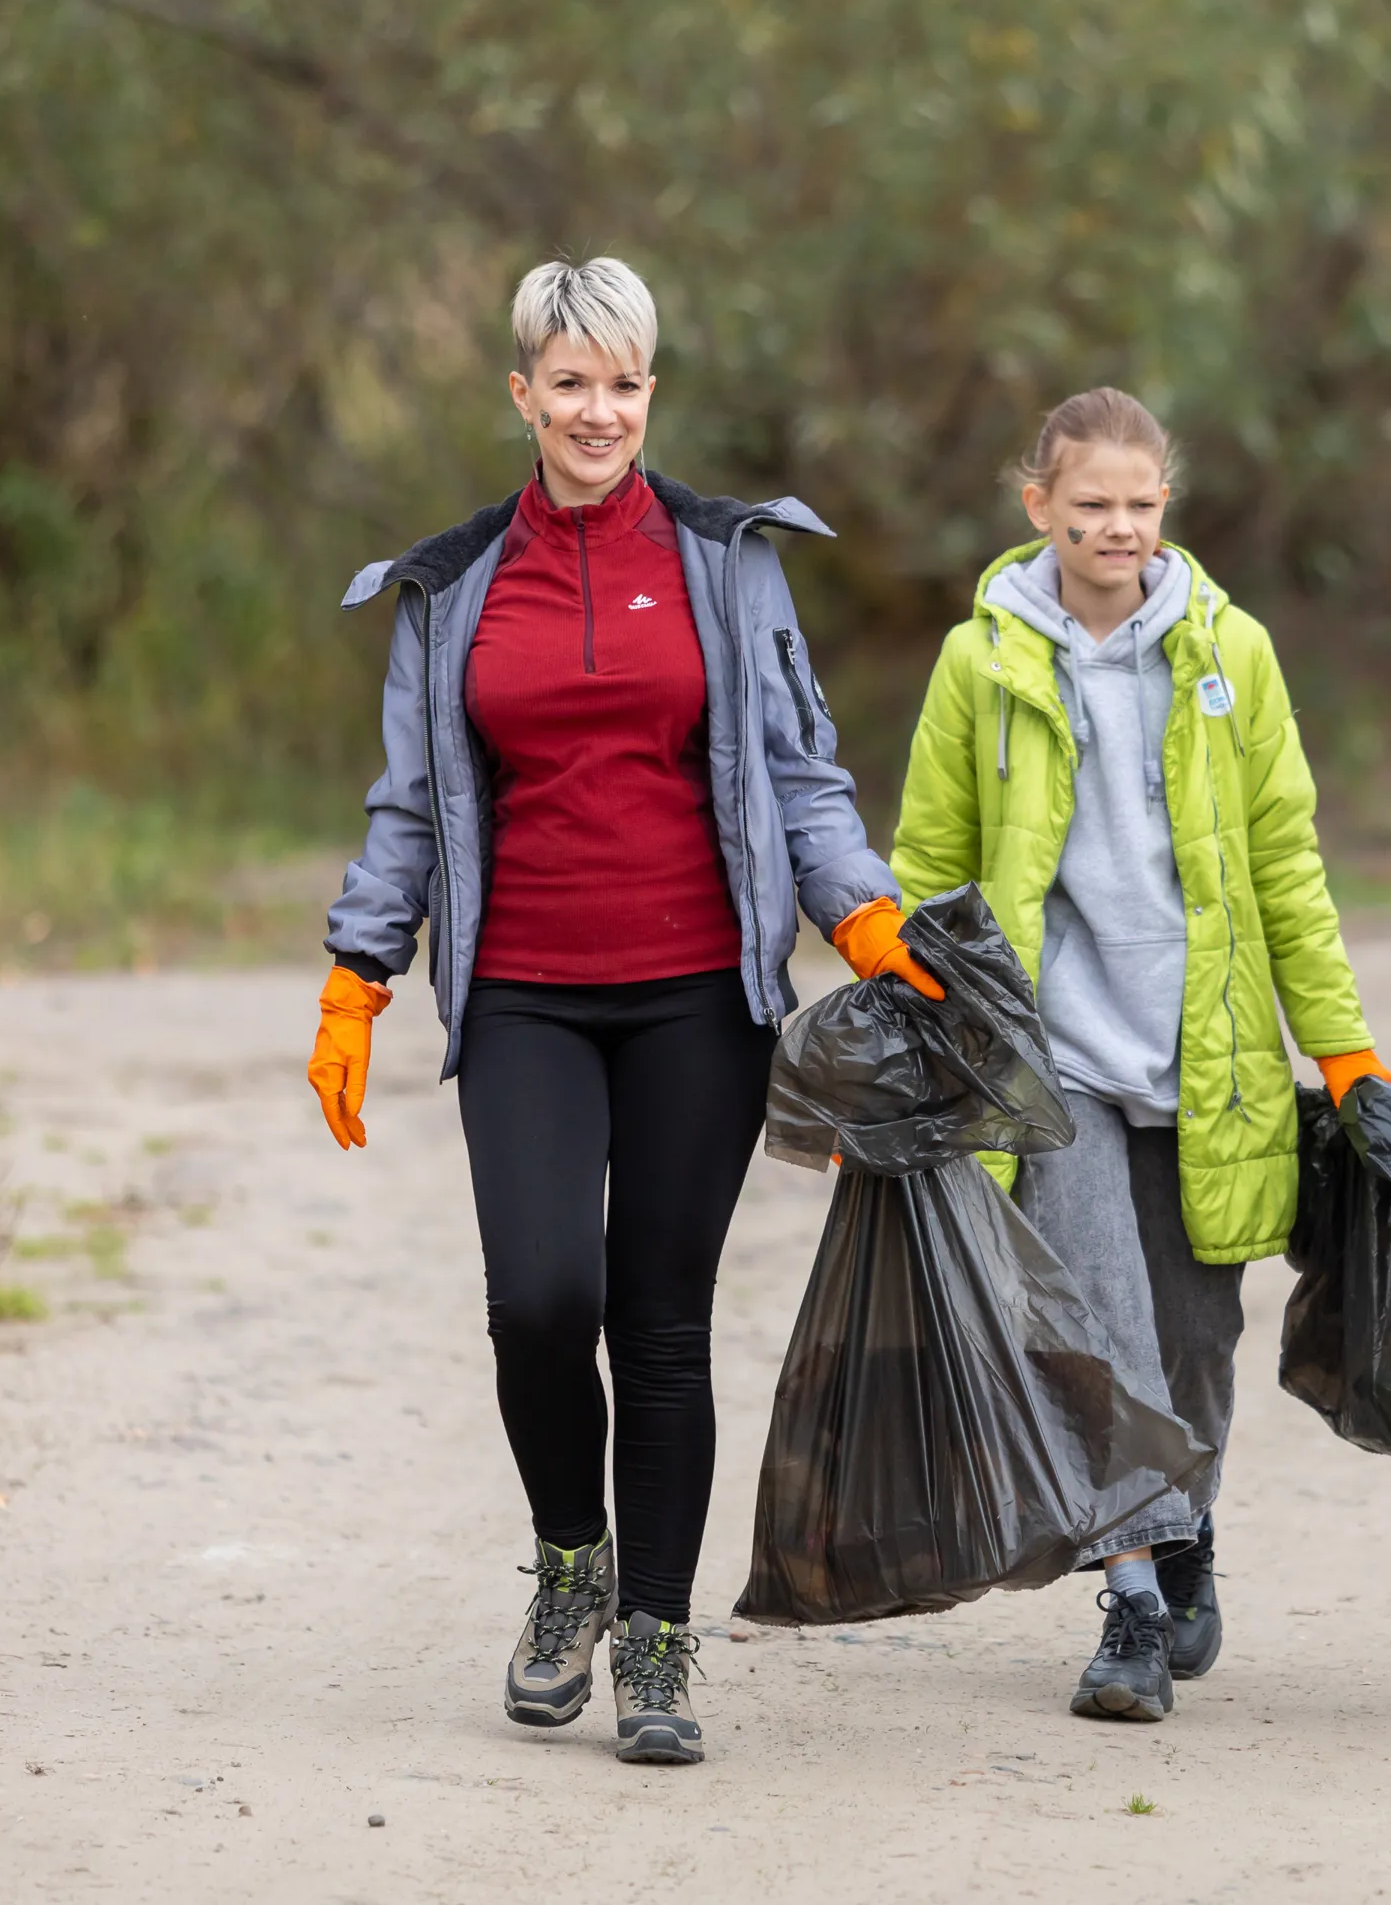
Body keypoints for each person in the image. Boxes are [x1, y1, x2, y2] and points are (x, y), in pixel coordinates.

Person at [303, 257, 938, 1766]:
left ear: (655, 393)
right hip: (522, 987)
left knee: (659, 1322)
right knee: (538, 1300)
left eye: (627, 384)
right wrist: (357, 970)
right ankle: (569, 1564)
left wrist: (859, 911)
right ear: (521, 393)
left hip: (694, 999)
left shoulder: (729, 559)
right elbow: (410, 803)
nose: (601, 411)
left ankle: (656, 1638)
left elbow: (797, 771)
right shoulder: (451, 587)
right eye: (571, 382)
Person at [890, 387, 1389, 1723]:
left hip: (1206, 1059)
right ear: (1037, 505)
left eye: (1141, 503)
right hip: (1056, 1067)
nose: (1118, 527)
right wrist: (908, 1025)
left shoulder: (1234, 656)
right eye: (1091, 505)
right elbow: (929, 866)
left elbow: (1288, 866)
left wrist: (1342, 1052)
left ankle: (1185, 1533)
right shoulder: (980, 665)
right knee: (1094, 1329)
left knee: (1195, 1335)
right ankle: (1126, 1601)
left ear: (1169, 504)